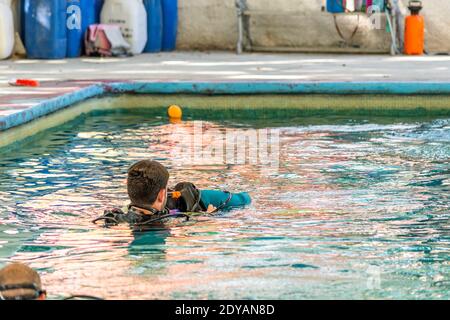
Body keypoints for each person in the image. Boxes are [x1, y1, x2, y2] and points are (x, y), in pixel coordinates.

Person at [94, 160, 251, 226]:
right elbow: (246, 199)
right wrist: (209, 218)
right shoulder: (176, 216)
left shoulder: (115, 219)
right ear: (162, 195)